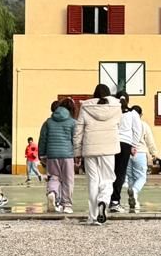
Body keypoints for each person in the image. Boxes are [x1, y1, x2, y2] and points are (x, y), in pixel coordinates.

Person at [73, 83, 122, 224]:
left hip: (90, 149)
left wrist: (77, 151)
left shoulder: (85, 108)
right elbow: (118, 125)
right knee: (107, 178)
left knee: (93, 181)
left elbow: (78, 130)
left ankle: (93, 216)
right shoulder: (116, 108)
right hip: (108, 148)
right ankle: (103, 201)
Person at [37, 99, 77, 213]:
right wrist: (78, 155)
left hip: (52, 155)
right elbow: (75, 140)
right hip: (67, 155)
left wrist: (42, 154)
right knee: (68, 180)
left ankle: (52, 193)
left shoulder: (48, 122)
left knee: (53, 177)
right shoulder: (72, 122)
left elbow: (43, 139)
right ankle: (67, 205)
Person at [125, 105, 159, 213]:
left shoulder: (126, 124)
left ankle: (133, 196)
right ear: (140, 115)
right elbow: (149, 140)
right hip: (140, 152)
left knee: (130, 177)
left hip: (127, 152)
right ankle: (134, 192)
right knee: (141, 177)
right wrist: (154, 153)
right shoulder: (144, 125)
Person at [109, 97, 135, 213]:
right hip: (125, 144)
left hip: (112, 142)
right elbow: (137, 130)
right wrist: (134, 144)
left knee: (110, 172)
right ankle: (115, 201)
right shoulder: (132, 114)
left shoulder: (112, 112)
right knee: (120, 173)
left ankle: (106, 198)